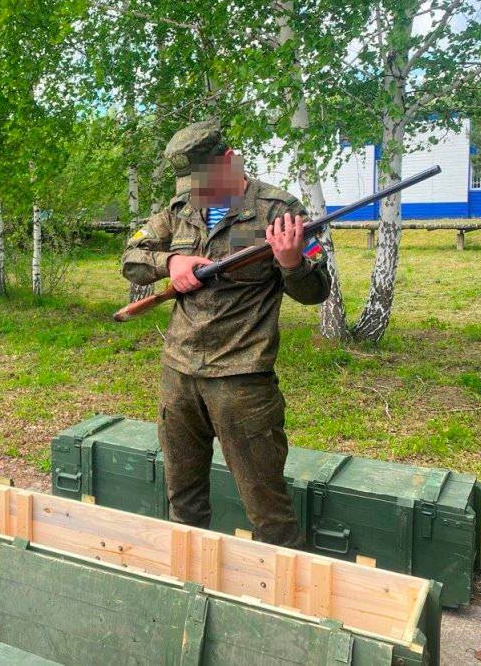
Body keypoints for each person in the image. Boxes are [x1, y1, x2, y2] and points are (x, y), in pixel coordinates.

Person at [121, 120, 330, 548]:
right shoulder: (179, 210)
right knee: (183, 500)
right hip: (178, 375)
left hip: (242, 380)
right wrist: (171, 265)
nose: (198, 194)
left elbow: (316, 291)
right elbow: (132, 255)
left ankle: (274, 598)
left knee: (267, 509)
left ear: (231, 161)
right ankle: (193, 588)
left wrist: (292, 263)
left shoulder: (280, 211)